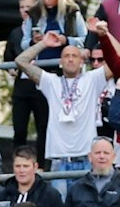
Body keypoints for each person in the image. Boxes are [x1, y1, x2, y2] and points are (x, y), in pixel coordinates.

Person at [15, 30, 110, 186]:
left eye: (75, 56)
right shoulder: (51, 82)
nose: (70, 59)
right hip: (58, 160)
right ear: (60, 61)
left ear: (82, 61)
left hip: (86, 158)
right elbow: (21, 61)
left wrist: (104, 34)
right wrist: (44, 43)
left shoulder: (93, 79)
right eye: (66, 56)